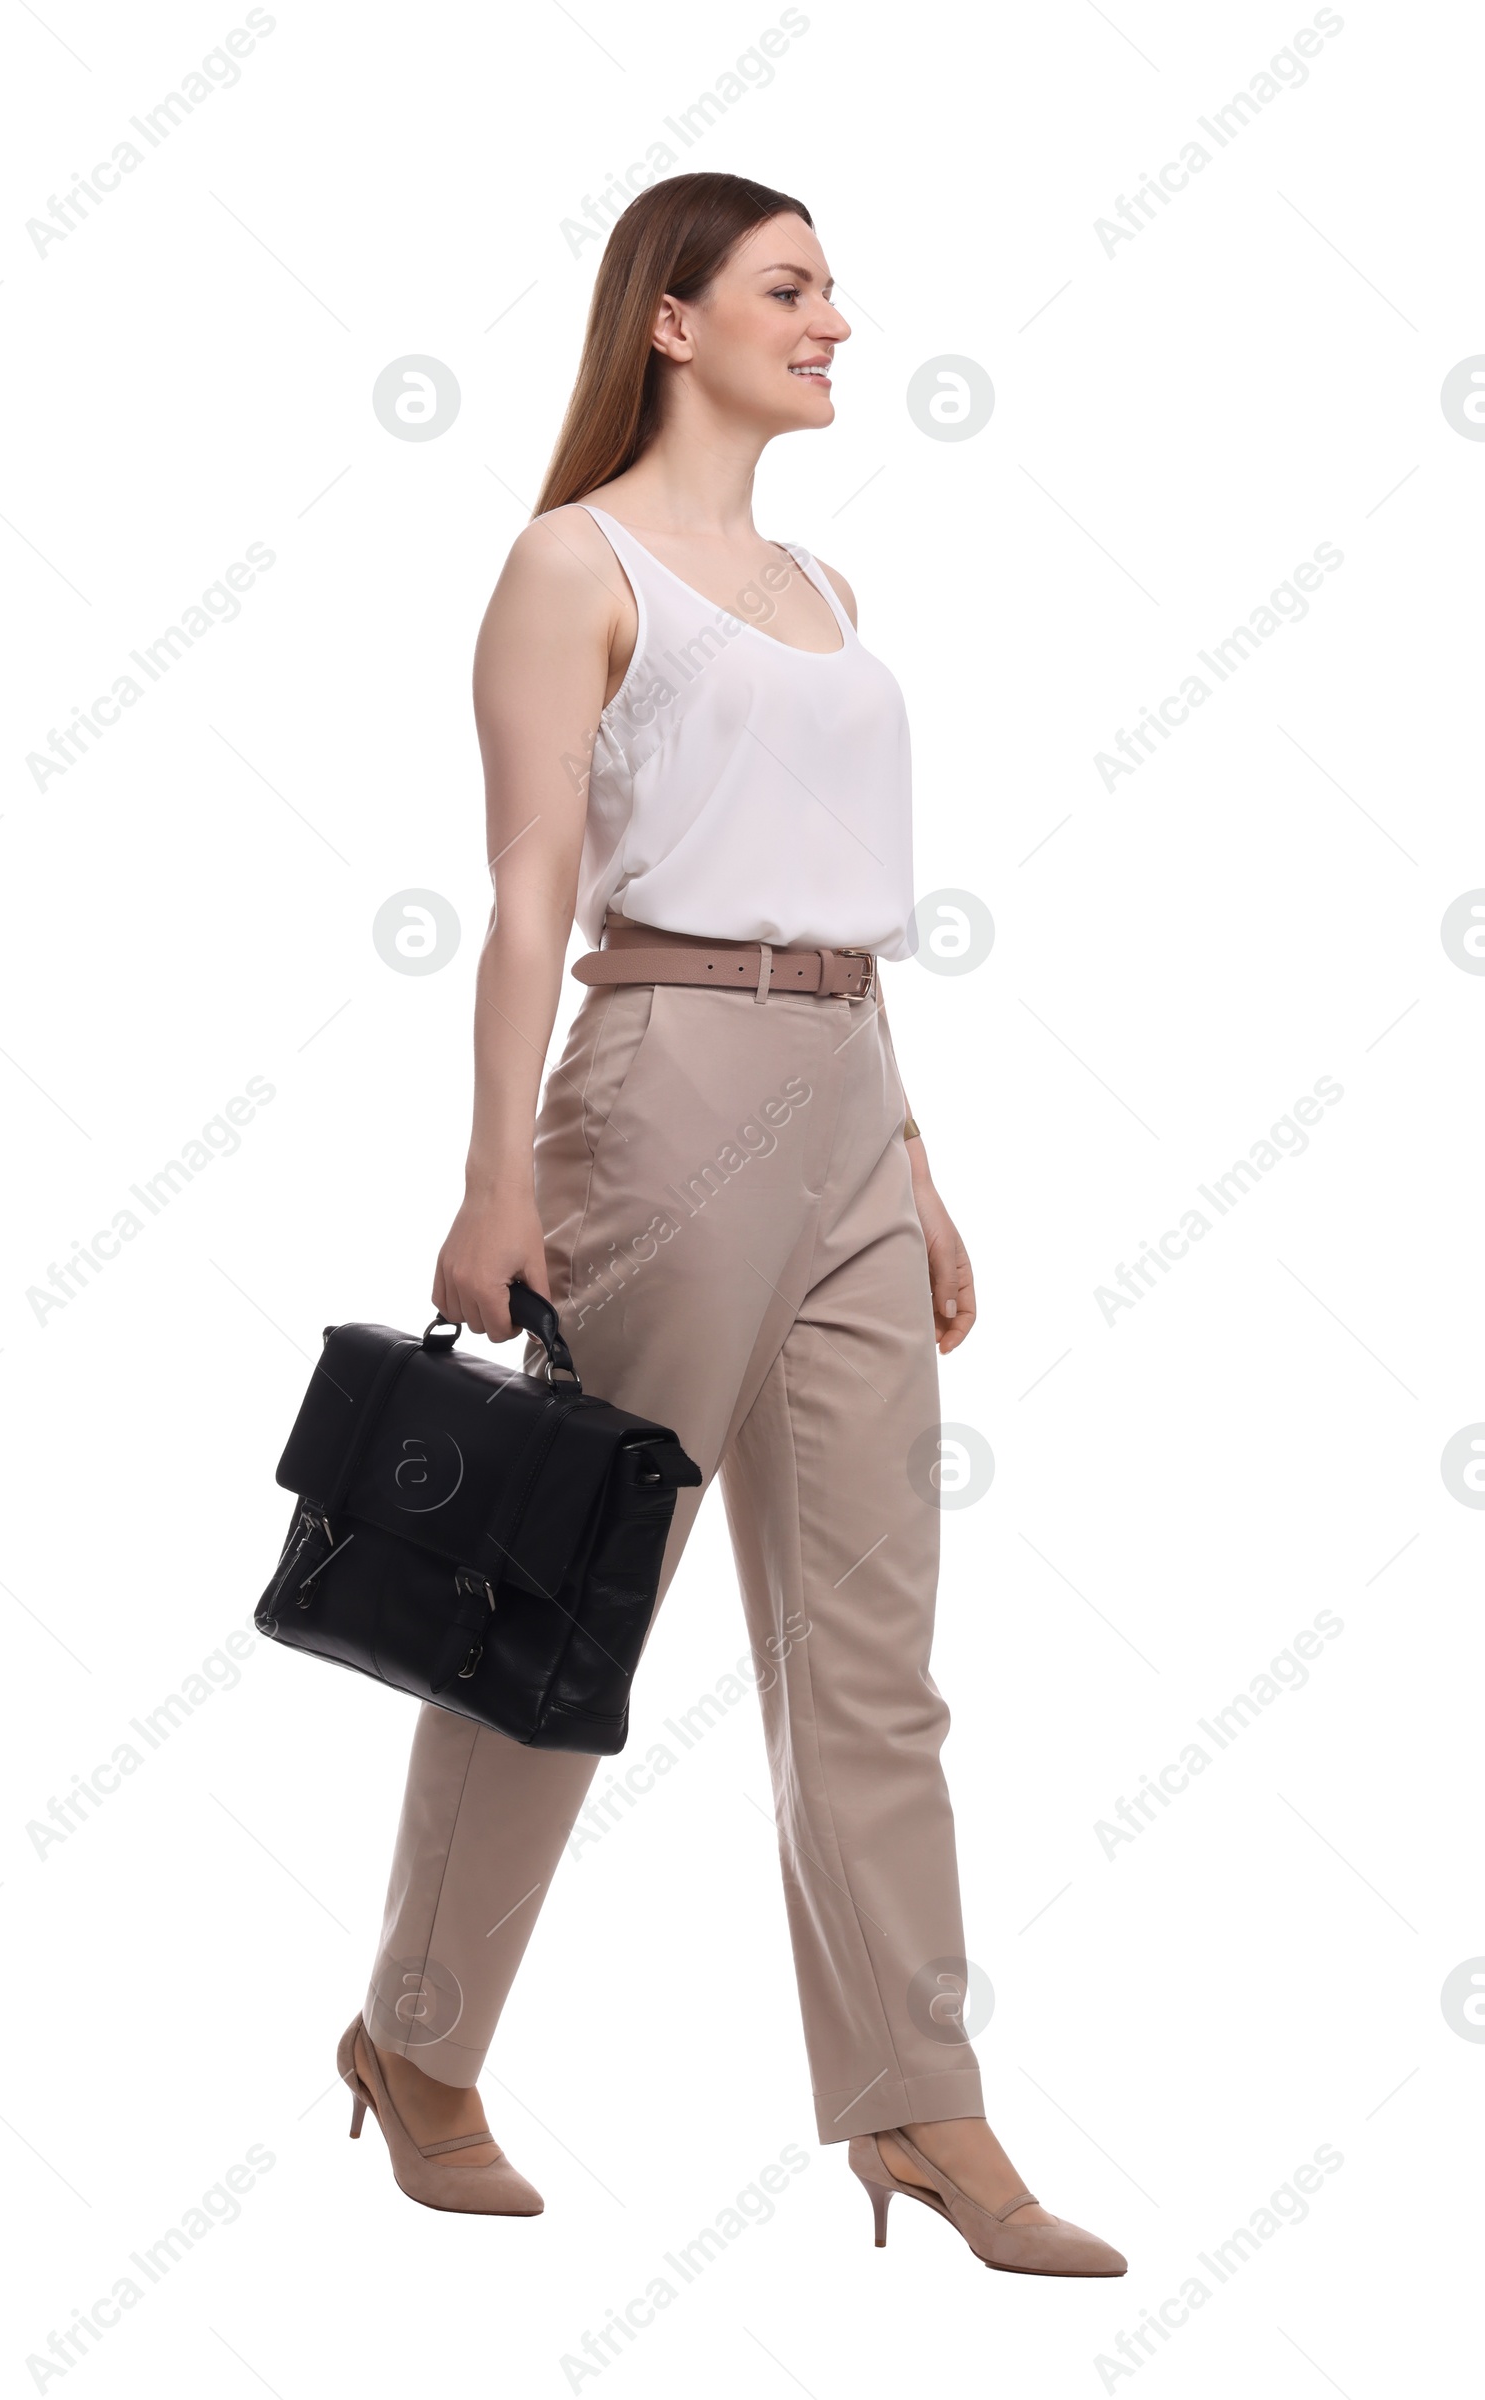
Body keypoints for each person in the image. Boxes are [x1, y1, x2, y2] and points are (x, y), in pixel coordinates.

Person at [336, 171, 1125, 2276]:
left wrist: (917, 1169)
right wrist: (494, 1176)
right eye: (791, 287)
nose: (836, 319)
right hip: (659, 1085)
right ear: (668, 321)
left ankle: (919, 2108)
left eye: (834, 288)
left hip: (850, 1098)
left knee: (871, 1660)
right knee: (562, 1598)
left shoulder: (825, 588)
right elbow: (524, 894)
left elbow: (842, 903)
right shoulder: (567, 563)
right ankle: (417, 2048)